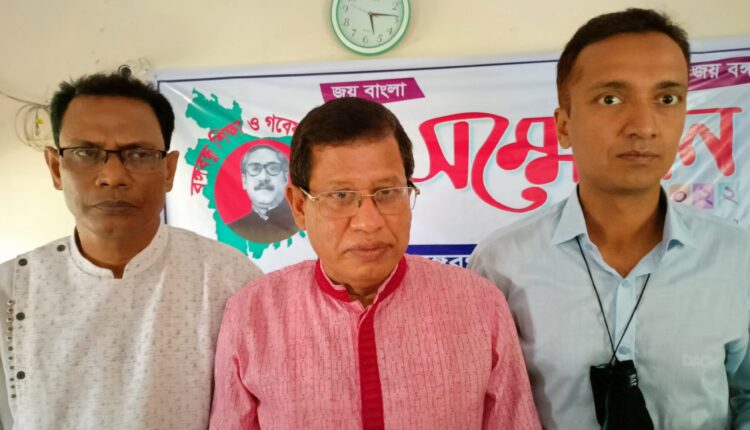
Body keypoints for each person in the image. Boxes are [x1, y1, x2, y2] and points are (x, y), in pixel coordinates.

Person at [469, 8, 750, 430]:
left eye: (667, 99)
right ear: (564, 126)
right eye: (611, 99)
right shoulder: (501, 263)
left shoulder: (736, 256)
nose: (644, 126)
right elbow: (485, 405)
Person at [209, 97, 541, 429]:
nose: (369, 222)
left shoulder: (480, 306)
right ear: (298, 206)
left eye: (387, 192)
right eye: (340, 196)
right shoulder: (252, 316)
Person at [0, 72, 262, 429]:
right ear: (56, 167)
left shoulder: (230, 281)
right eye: (85, 153)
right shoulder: (11, 292)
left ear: (168, 170)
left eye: (138, 154)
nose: (113, 176)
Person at [228, 144, 298, 243]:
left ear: (286, 178)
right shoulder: (235, 229)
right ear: (244, 180)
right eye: (255, 169)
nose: (263, 177)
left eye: (273, 168)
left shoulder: (303, 222)